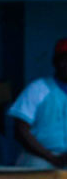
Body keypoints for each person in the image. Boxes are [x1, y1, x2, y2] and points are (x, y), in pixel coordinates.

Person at [7, 38, 67, 170]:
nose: (65, 65)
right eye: (64, 59)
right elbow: (20, 130)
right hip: (39, 156)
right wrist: (50, 156)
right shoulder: (38, 89)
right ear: (56, 62)